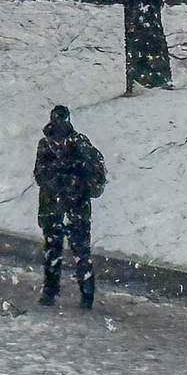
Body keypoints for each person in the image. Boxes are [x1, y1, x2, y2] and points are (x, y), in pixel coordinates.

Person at [32, 105, 107, 309]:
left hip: (70, 204)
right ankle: (64, 292)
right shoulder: (48, 145)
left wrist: (67, 179)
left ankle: (81, 294)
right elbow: (40, 175)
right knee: (61, 250)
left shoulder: (77, 144)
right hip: (64, 205)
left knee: (71, 250)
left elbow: (42, 175)